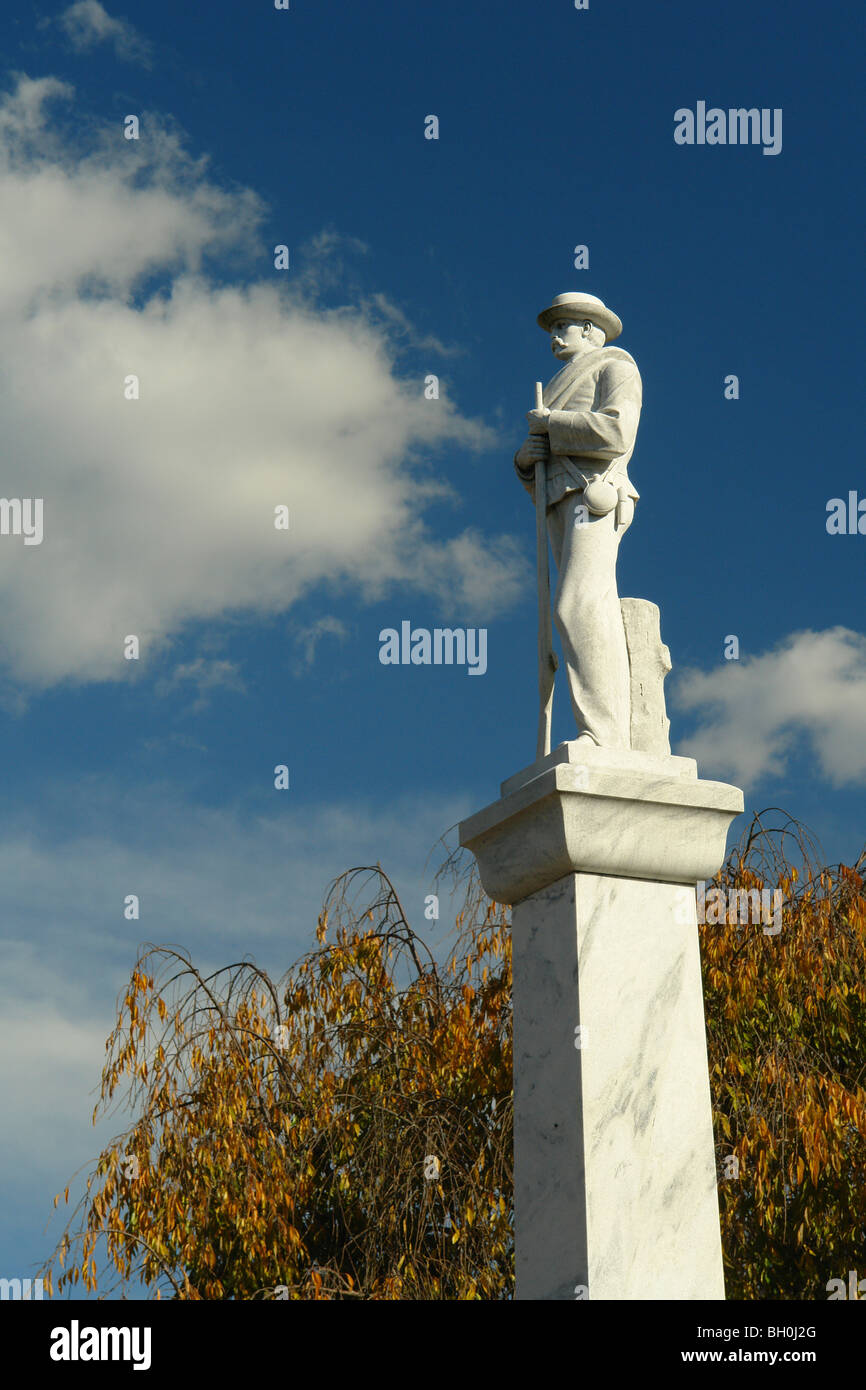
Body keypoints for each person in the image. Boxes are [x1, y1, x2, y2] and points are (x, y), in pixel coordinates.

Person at [515, 291, 643, 749]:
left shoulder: (616, 367)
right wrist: (526, 461)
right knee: (567, 610)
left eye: (562, 325)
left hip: (597, 497)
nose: (553, 335)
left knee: (579, 605)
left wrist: (553, 424)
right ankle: (598, 729)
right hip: (559, 500)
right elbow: (542, 461)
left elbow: (616, 431)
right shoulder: (556, 384)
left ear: (590, 329)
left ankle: (605, 734)